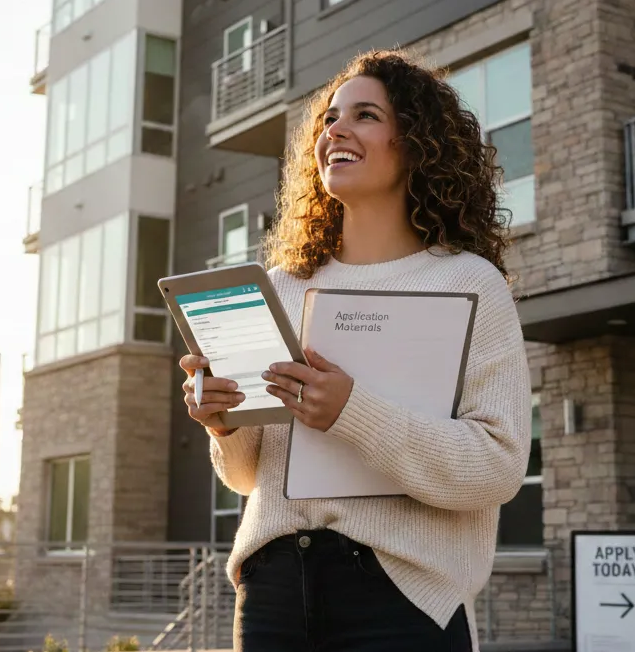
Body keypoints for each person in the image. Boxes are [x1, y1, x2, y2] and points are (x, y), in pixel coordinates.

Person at [180, 49, 532, 652]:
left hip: (402, 598)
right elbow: (246, 475)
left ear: (415, 143)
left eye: (365, 115)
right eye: (329, 119)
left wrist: (352, 412)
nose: (334, 131)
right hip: (273, 595)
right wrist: (222, 420)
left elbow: (497, 466)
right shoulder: (285, 287)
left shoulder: (469, 283)